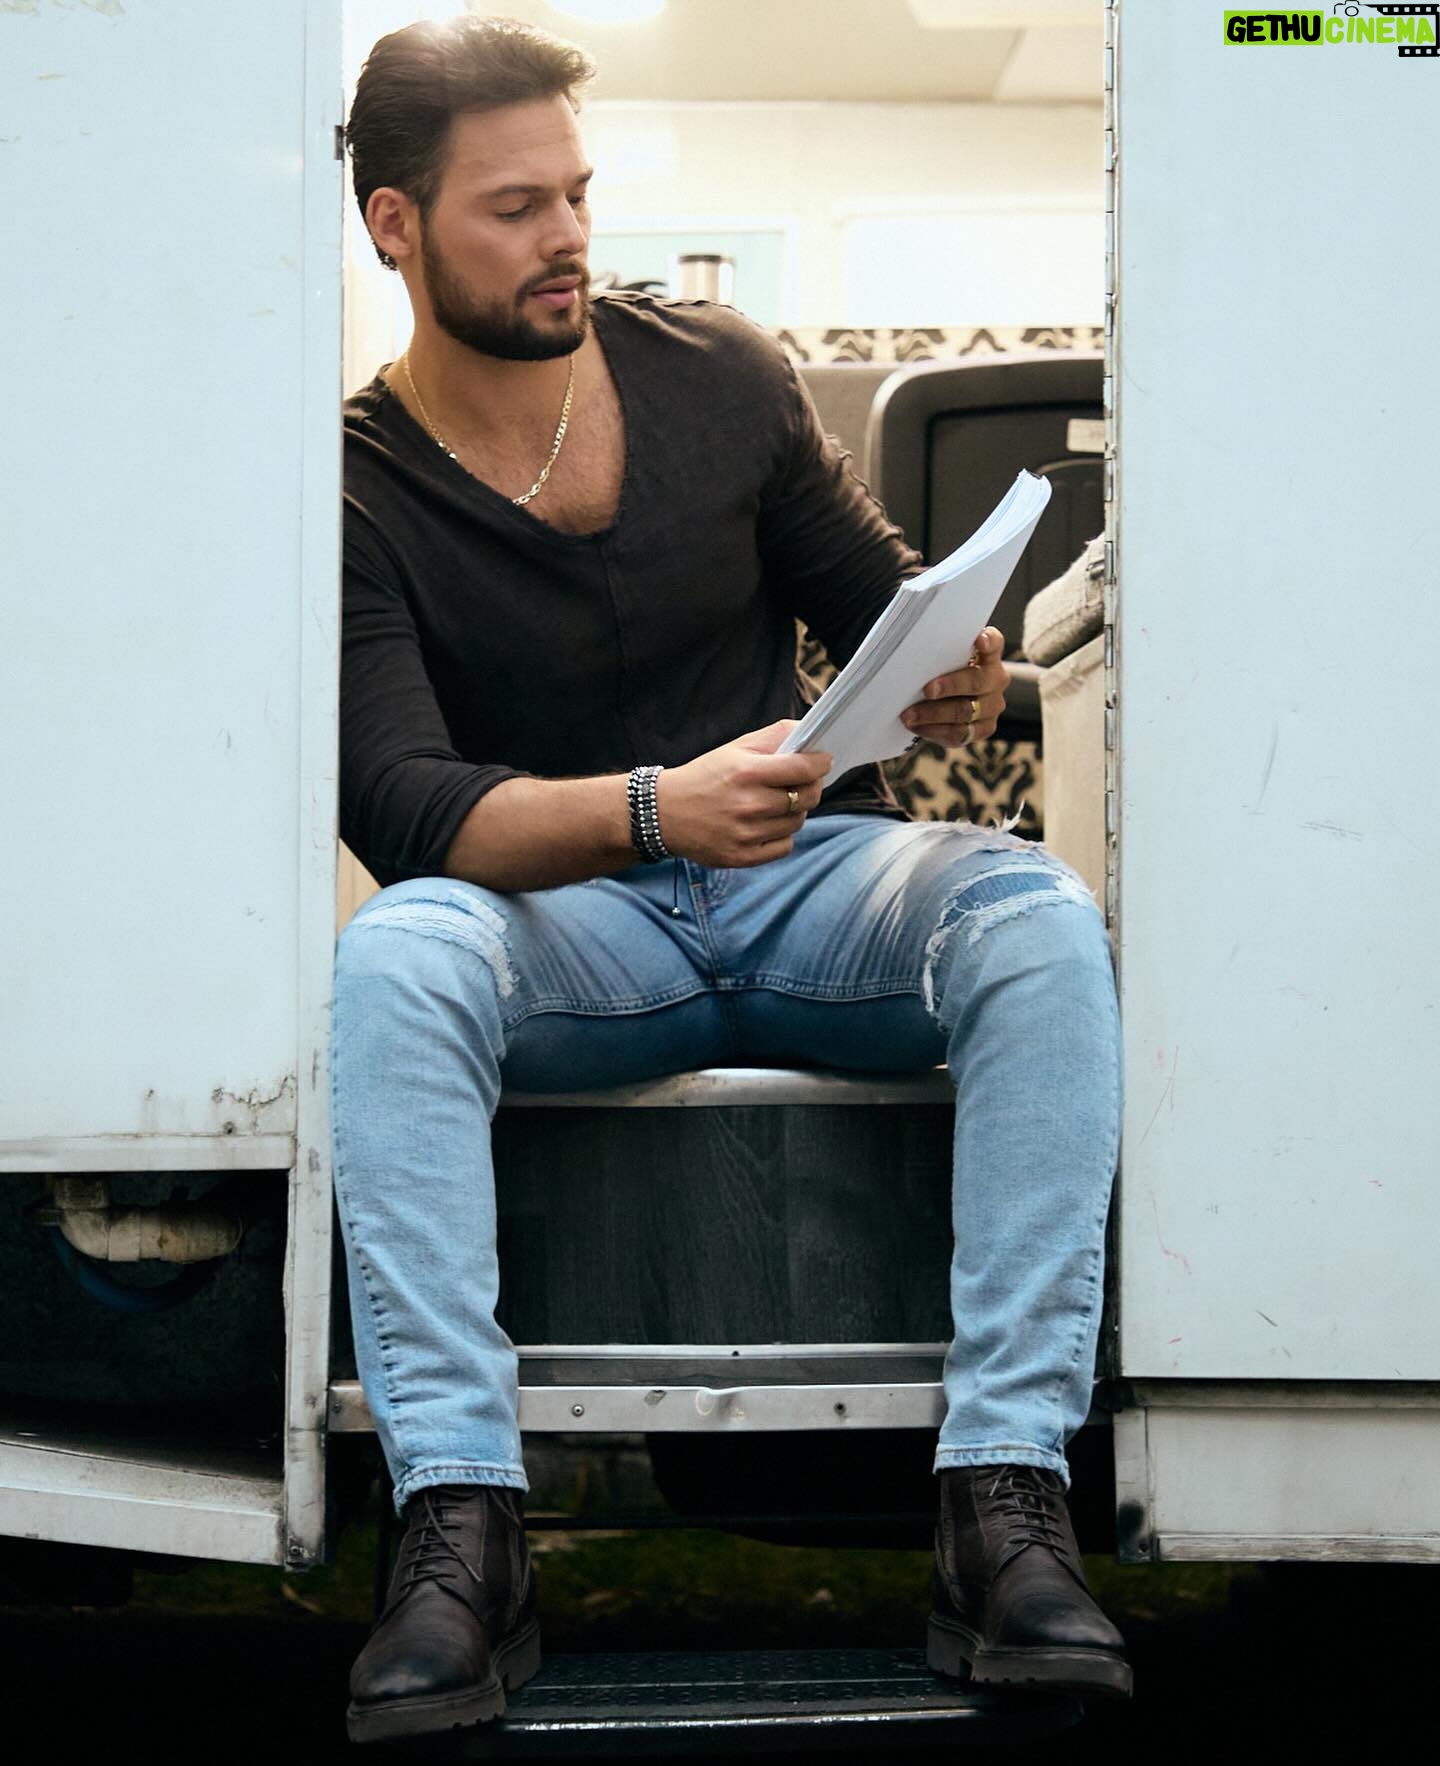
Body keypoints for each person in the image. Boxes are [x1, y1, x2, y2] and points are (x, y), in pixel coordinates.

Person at [335, 13, 1130, 1746]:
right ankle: (462, 1526)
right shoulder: (351, 482)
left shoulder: (720, 373)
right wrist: (653, 811)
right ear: (396, 225)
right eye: (514, 208)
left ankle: (1004, 1499)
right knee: (396, 953)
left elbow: (883, 600)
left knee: (1032, 915)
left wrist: (951, 671)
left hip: (803, 885)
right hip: (570, 927)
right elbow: (404, 800)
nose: (566, 236)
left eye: (577, 194)